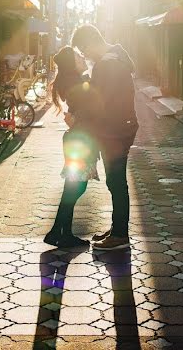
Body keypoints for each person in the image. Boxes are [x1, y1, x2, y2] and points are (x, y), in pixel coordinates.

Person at [70, 24, 138, 251]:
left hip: (115, 131)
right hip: (120, 128)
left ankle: (120, 235)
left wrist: (77, 116)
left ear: (90, 43)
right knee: (116, 182)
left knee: (116, 182)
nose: (85, 55)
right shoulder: (115, 58)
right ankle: (118, 228)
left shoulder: (107, 64)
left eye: (83, 50)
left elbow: (99, 102)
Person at [43, 46, 100, 248]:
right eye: (78, 55)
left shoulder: (74, 80)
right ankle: (60, 232)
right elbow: (88, 108)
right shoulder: (78, 82)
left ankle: (59, 232)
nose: (82, 55)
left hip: (78, 138)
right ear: (71, 63)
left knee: (73, 186)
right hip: (80, 140)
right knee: (76, 186)